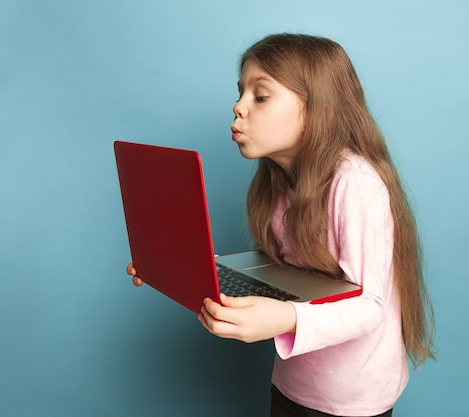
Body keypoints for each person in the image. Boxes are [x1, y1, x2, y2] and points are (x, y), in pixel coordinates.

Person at [128, 33, 434, 417]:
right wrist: (175, 266)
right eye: (240, 93)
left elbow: (371, 307)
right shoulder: (279, 181)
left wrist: (284, 317)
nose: (238, 108)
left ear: (318, 111)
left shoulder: (355, 182)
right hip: (292, 384)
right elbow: (284, 271)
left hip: (351, 400)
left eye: (260, 96)